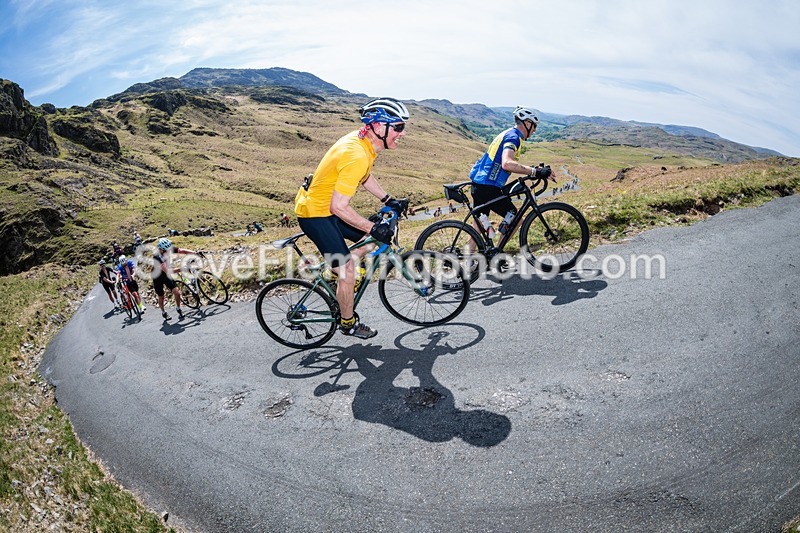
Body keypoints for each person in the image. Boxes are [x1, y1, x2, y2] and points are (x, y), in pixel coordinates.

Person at [294, 97, 409, 339]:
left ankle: (337, 268)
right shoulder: (356, 153)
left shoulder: (365, 143)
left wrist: (388, 200)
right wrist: (373, 227)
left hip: (328, 209)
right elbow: (339, 207)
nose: (403, 133)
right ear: (379, 127)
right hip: (315, 214)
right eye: (398, 127)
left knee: (374, 241)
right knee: (348, 268)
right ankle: (348, 323)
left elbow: (364, 176)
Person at [468, 106, 553, 239]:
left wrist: (535, 170)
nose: (534, 130)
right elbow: (507, 163)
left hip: (480, 185)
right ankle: (498, 255)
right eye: (534, 126)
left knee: (478, 226)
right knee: (516, 218)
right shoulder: (514, 137)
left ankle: (471, 257)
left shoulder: (508, 133)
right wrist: (534, 172)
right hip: (488, 186)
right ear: (528, 123)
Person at [152, 237, 203, 321]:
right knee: (161, 296)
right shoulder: (156, 257)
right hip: (158, 277)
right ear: (161, 250)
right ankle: (163, 312)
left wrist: (195, 253)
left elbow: (182, 251)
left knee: (176, 292)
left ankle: (178, 308)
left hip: (166, 275)